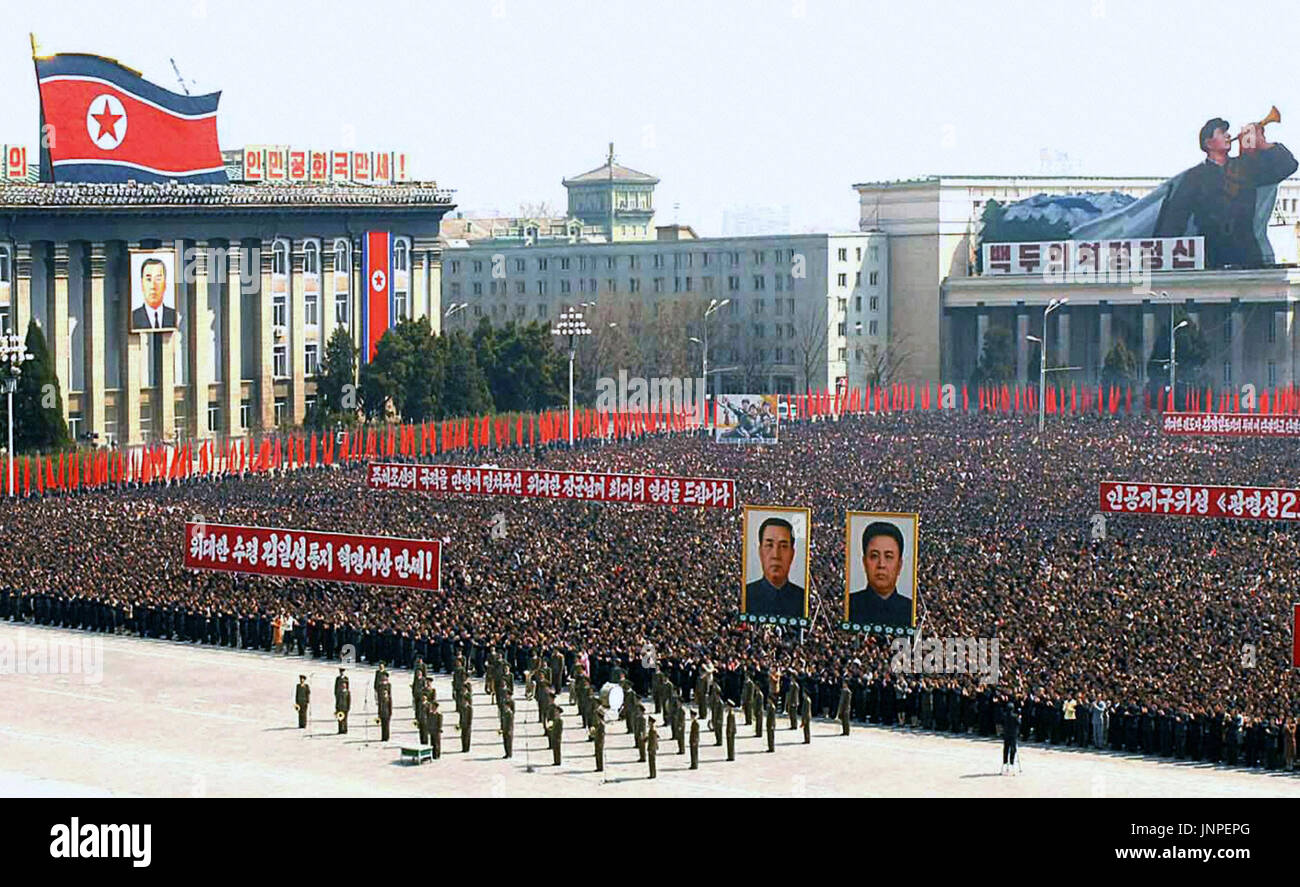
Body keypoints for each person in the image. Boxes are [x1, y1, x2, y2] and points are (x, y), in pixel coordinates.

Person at [1154, 116, 1299, 268]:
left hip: (1248, 255)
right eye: (1222, 132)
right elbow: (1174, 219)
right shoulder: (1194, 177)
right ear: (1208, 143)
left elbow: (1288, 166)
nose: (1228, 136)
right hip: (1212, 256)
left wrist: (1262, 143)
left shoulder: (1245, 166)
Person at [847, 521, 913, 628]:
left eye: (888, 557)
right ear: (864, 562)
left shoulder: (910, 610)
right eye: (874, 556)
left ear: (900, 565)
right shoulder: (850, 605)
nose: (881, 564)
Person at [744, 517, 806, 619]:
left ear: (792, 553)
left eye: (783, 546)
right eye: (769, 545)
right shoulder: (747, 595)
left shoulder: (803, 599)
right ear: (760, 552)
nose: (775, 555)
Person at [131, 257, 177, 330]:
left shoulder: (175, 317)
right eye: (148, 279)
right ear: (142, 284)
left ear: (165, 284)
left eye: (158, 279)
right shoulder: (132, 318)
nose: (153, 286)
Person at [1002, 703, 1020, 774]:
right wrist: (1019, 718)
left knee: (1006, 748)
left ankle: (1005, 761)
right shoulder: (1015, 716)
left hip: (1006, 734)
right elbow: (1019, 723)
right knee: (1013, 748)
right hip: (1013, 735)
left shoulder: (1004, 716)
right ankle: (1012, 762)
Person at [593, 706, 607, 773]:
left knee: (599, 754)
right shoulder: (598, 723)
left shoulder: (601, 724)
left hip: (599, 741)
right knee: (597, 754)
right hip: (597, 740)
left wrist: (600, 742)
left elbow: (602, 734)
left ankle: (600, 767)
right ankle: (598, 766)